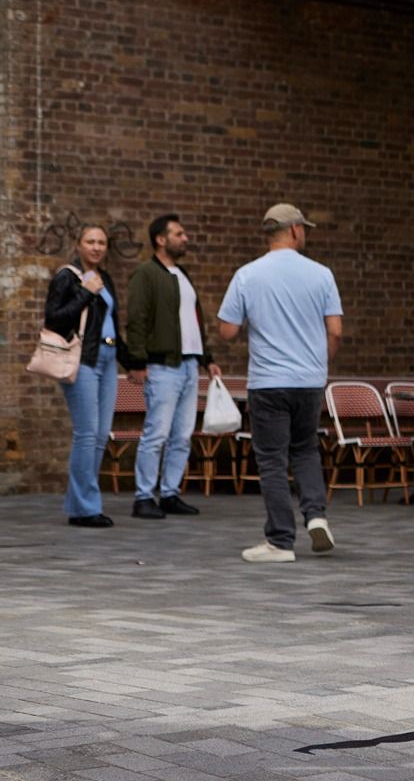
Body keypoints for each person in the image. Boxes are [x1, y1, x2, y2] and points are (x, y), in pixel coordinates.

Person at [216, 204, 344, 563]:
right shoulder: (321, 274)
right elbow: (335, 330)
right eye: (304, 228)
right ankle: (316, 515)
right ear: (294, 231)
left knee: (272, 459)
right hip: (309, 380)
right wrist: (319, 363)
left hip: (268, 381)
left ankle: (280, 541)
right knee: (305, 449)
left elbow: (226, 330)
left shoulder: (247, 275)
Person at [123, 214, 220, 519]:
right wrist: (136, 362)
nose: (186, 238)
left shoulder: (183, 275)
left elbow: (195, 323)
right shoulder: (146, 274)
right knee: (157, 433)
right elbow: (136, 320)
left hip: (190, 365)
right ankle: (143, 497)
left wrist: (208, 359)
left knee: (182, 436)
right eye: (179, 234)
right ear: (161, 239)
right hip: (162, 367)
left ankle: (169, 493)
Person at [43, 225, 121, 528]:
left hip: (108, 358)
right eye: (90, 241)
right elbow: (54, 317)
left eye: (102, 242)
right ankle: (85, 508)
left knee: (101, 436)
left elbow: (113, 324)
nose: (97, 247)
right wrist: (85, 295)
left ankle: (82, 504)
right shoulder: (66, 276)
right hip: (82, 359)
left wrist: (132, 361)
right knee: (87, 434)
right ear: (78, 244)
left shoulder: (106, 278)